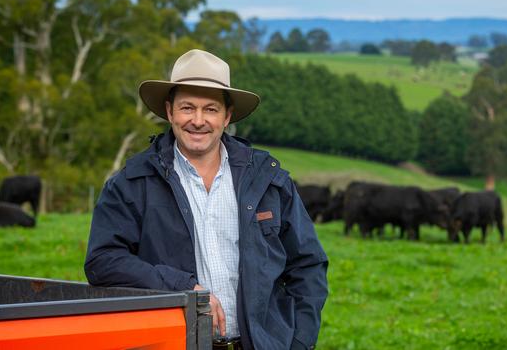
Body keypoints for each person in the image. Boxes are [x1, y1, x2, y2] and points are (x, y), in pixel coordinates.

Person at [84, 49, 328, 350]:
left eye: (210, 109)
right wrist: (186, 288)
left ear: (227, 116)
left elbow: (309, 265)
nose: (198, 121)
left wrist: (299, 342)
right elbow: (102, 262)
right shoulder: (132, 183)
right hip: (175, 343)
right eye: (188, 108)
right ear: (170, 111)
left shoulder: (268, 179)